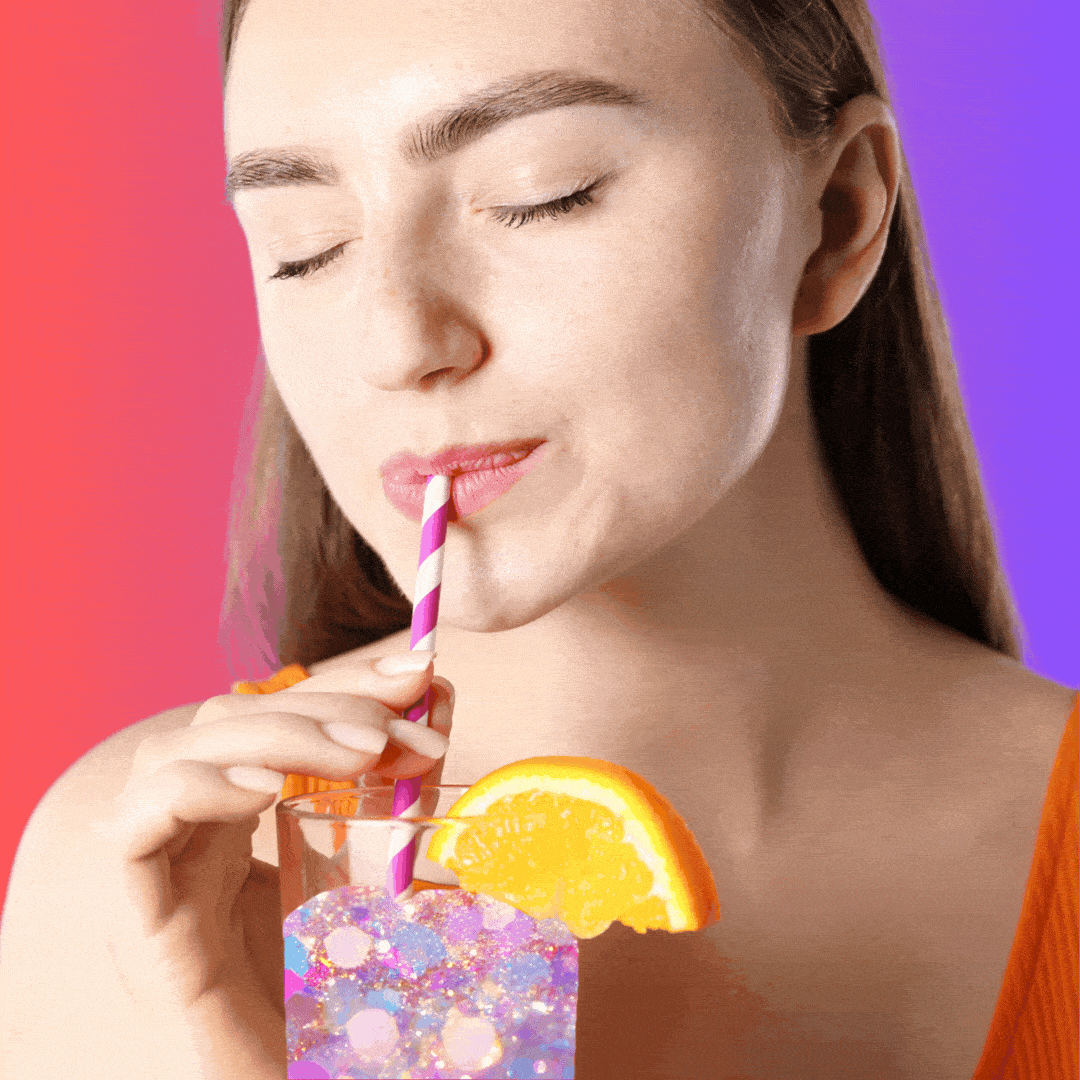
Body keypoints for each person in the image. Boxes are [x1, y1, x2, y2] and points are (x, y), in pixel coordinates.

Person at [2, 0, 1075, 1077]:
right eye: (303, 248)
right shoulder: (142, 889)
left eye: (540, 195)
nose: (398, 340)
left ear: (839, 212)